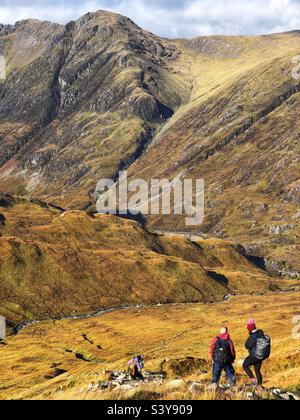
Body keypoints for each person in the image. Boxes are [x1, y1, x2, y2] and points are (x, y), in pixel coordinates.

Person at [243, 319, 270, 388]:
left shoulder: (253, 336)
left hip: (254, 355)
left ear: (249, 328)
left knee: (245, 365)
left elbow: (247, 345)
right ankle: (259, 384)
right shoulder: (260, 334)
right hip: (261, 355)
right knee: (257, 370)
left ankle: (253, 381)